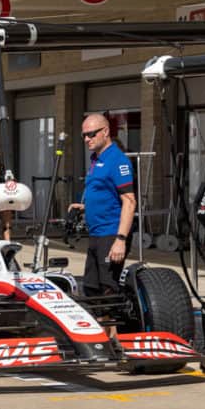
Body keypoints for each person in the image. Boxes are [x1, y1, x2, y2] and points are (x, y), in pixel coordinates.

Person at [68, 113, 136, 296]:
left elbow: (129, 201)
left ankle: (112, 326)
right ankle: (100, 325)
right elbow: (105, 193)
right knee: (91, 289)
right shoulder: (96, 159)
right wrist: (85, 207)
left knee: (107, 290)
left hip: (111, 233)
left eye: (91, 134)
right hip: (96, 234)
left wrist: (120, 240)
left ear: (105, 132)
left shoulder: (118, 160)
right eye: (84, 135)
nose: (86, 139)